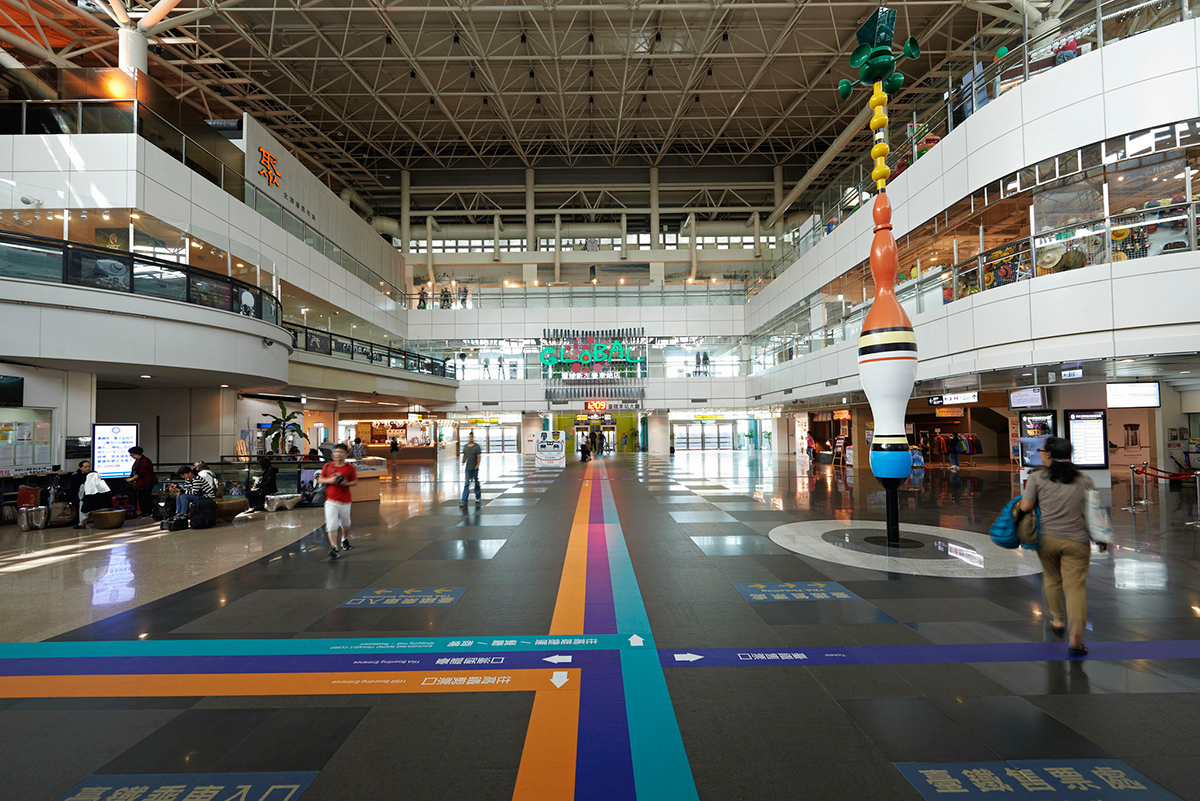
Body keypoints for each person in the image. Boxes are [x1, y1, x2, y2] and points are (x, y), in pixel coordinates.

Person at [1017, 436, 1105, 656]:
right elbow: (1094, 512)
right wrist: (1101, 538)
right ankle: (1076, 638)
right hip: (1077, 540)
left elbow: (1026, 507)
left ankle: (1057, 620)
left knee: (1051, 578)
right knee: (1076, 588)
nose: (1040, 454)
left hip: (1047, 539)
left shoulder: (1037, 478)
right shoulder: (1084, 479)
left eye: (1042, 451)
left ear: (1048, 455)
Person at [317, 443, 358, 559]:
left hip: (345, 500)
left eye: (340, 452)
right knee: (331, 524)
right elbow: (320, 479)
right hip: (330, 500)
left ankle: (344, 538)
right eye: (336, 451)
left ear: (346, 454)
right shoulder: (327, 466)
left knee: (345, 523)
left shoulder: (350, 468)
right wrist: (330, 480)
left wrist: (345, 483)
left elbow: (355, 481)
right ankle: (334, 547)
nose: (338, 454)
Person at [127, 446, 156, 519]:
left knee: (145, 497)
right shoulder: (138, 460)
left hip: (146, 483)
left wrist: (132, 479)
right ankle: (143, 511)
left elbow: (141, 473)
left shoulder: (145, 461)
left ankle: (147, 512)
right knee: (141, 498)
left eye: (132, 455)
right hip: (141, 483)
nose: (131, 456)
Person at [459, 431, 483, 508]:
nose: (470, 438)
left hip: (474, 467)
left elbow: (478, 456)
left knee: (476, 481)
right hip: (468, 467)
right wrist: (463, 462)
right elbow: (464, 455)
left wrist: (478, 464)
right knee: (467, 483)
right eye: (469, 437)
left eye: (471, 437)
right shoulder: (466, 447)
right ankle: (464, 500)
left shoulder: (476, 447)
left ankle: (478, 496)